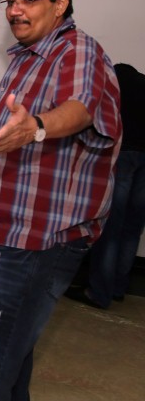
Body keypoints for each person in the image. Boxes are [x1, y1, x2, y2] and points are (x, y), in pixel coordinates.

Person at [0, 0, 121, 400]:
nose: (15, 10)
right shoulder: (25, 57)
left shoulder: (76, 51)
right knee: (7, 355)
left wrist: (38, 127)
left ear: (60, 3)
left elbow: (80, 108)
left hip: (31, 240)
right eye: (10, 1)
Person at [65, 63, 145, 309]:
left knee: (110, 227)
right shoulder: (141, 84)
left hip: (123, 157)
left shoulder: (113, 85)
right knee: (132, 227)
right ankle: (119, 287)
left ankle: (98, 292)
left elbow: (100, 123)